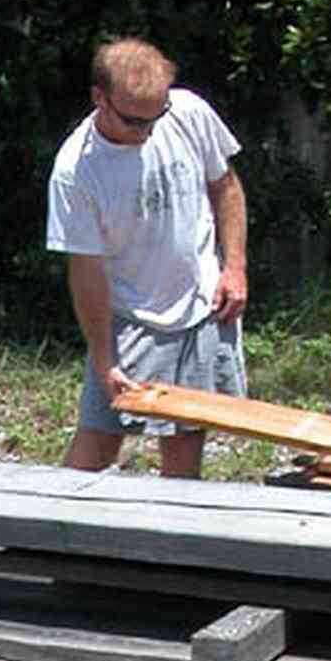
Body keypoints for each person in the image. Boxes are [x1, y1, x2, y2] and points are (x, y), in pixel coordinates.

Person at [45, 36, 248, 478]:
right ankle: (49, 528)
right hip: (129, 314)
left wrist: (234, 268)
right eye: (136, 122)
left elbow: (225, 185)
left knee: (187, 433)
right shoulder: (76, 171)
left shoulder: (188, 112)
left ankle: (175, 535)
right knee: (100, 438)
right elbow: (86, 271)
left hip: (199, 306)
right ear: (100, 98)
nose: (150, 131)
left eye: (158, 116)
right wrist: (103, 357)